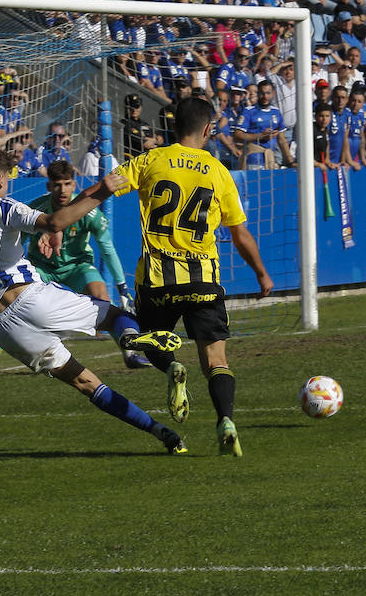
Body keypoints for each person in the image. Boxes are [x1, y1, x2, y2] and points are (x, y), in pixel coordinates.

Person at [0, 144, 186, 455]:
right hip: (30, 298)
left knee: (87, 384)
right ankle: (130, 339)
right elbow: (54, 223)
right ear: (1, 180)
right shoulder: (3, 207)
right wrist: (101, 190)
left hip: (4, 328)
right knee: (114, 315)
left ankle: (160, 432)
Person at [110, 97, 276, 457]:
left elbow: (109, 184)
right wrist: (262, 273)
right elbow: (240, 234)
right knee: (217, 361)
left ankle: (172, 367)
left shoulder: (152, 159)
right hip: (203, 280)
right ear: (206, 129)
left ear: (172, 126)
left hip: (158, 281)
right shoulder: (218, 171)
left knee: (147, 339)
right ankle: (226, 421)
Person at [0, 159, 143, 380]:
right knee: (9, 308)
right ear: (48, 186)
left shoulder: (89, 213)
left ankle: (129, 354)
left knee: (101, 296)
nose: (62, 190)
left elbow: (108, 249)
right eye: (57, 184)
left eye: (67, 183)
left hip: (77, 266)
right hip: (41, 267)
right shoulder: (35, 209)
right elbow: (16, 241)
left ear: (74, 185)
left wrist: (121, 286)